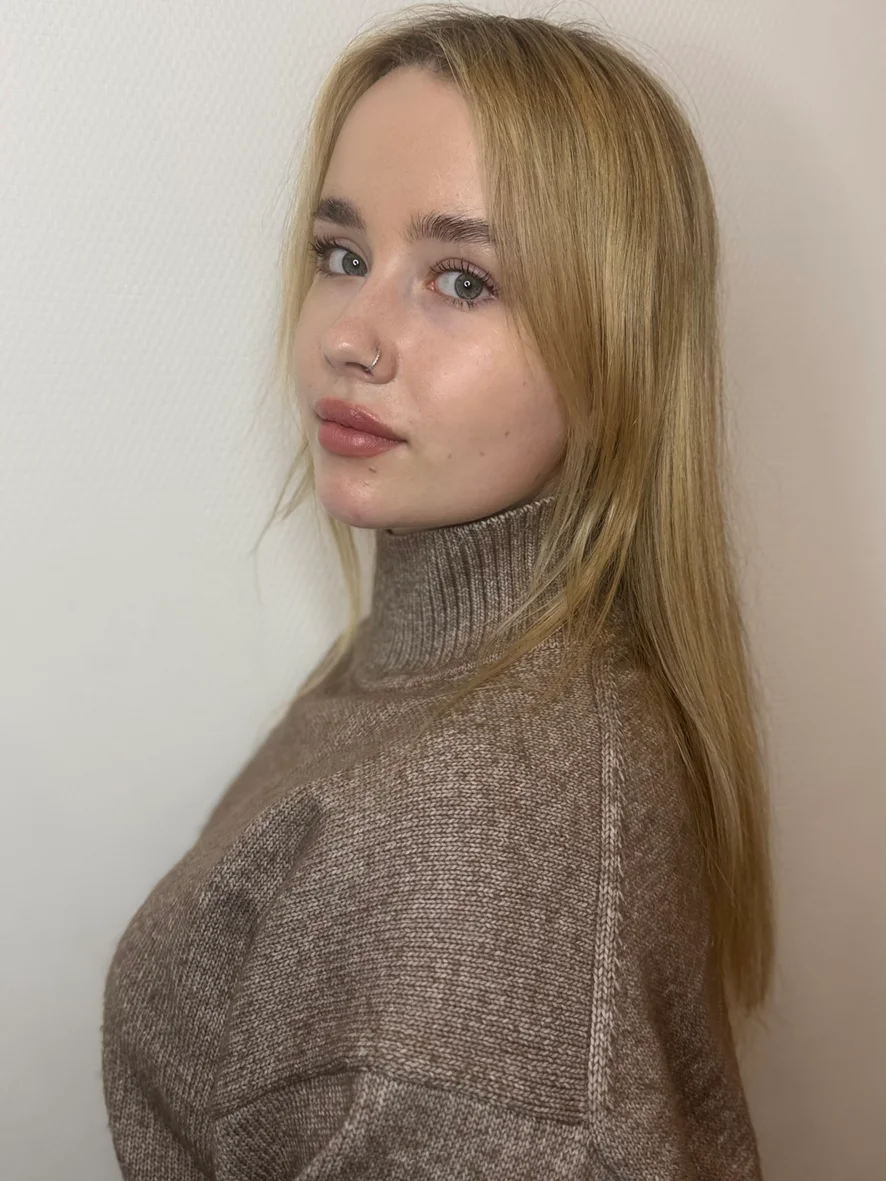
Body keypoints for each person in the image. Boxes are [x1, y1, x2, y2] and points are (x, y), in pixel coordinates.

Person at [101, 6, 775, 1178]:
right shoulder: (443, 667)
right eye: (342, 255)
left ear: (620, 349)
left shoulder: (479, 830)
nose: (351, 337)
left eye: (462, 279)